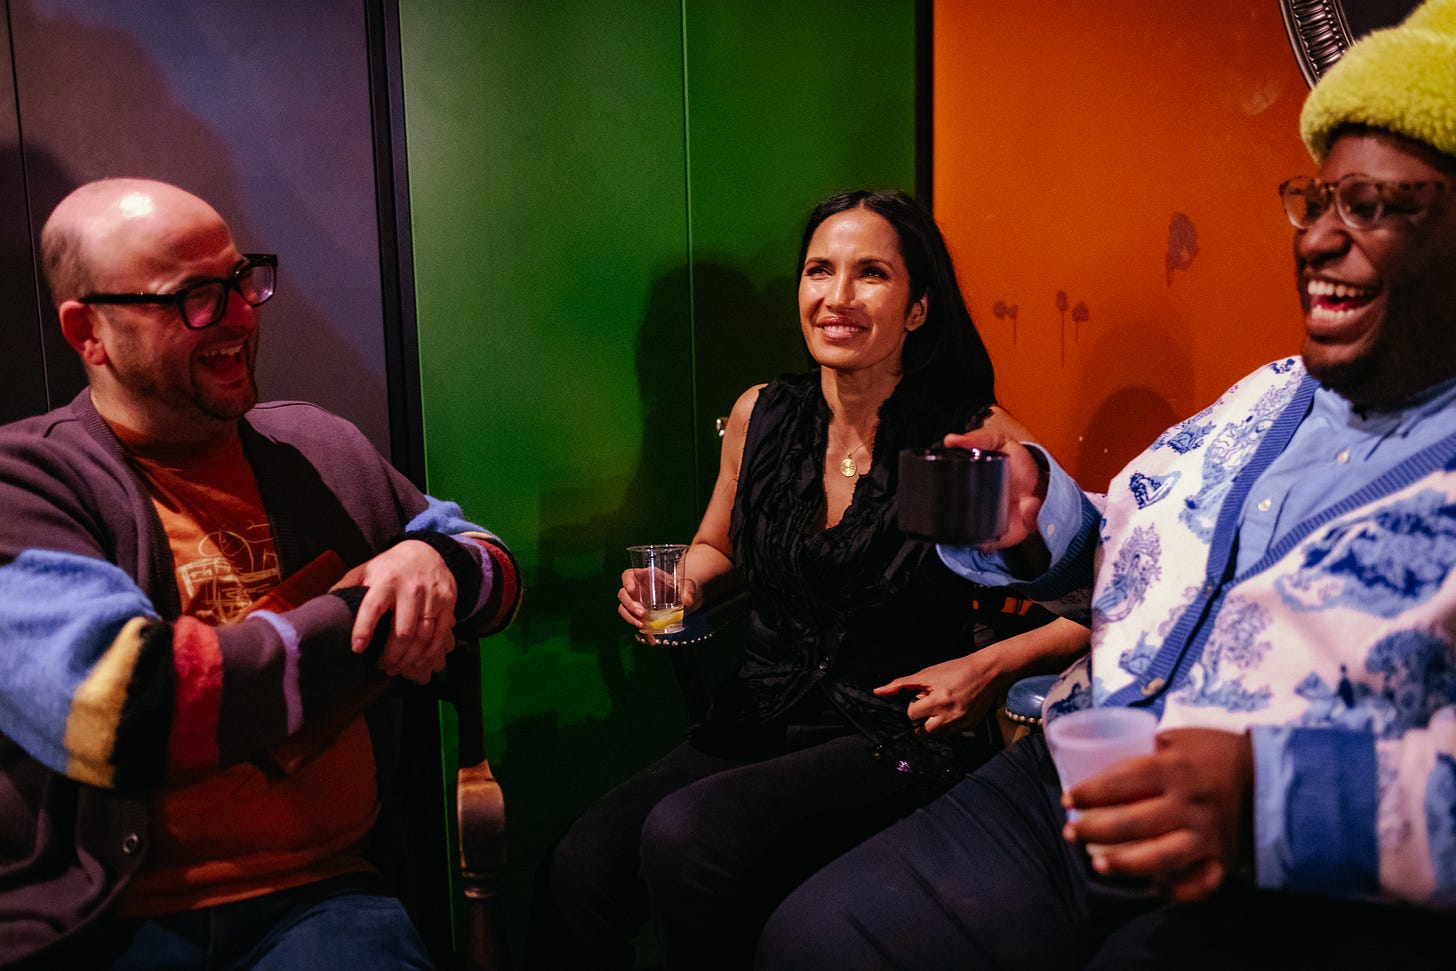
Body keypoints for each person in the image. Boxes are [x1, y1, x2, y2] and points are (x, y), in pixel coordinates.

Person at [756, 2, 1456, 968]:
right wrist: (1035, 521)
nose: (1320, 243)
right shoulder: (1266, 399)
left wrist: (1270, 796)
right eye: (1318, 200)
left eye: (1377, 207)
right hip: (1072, 773)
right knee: (816, 940)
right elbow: (1119, 563)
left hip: (1289, 880)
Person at [526, 189, 1090, 969]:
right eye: (819, 270)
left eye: (871, 275)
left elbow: (1101, 597)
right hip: (761, 710)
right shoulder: (762, 413)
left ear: (918, 309)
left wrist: (987, 666)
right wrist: (681, 586)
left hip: (891, 727)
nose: (837, 296)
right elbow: (716, 546)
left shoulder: (966, 436)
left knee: (686, 835)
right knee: (581, 867)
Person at [0, 178, 521, 970]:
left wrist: (435, 559)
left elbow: (496, 572)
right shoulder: (25, 481)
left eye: (243, 278)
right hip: (113, 913)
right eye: (195, 296)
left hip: (323, 897)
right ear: (89, 330)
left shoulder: (317, 445)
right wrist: (361, 614)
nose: (241, 313)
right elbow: (126, 706)